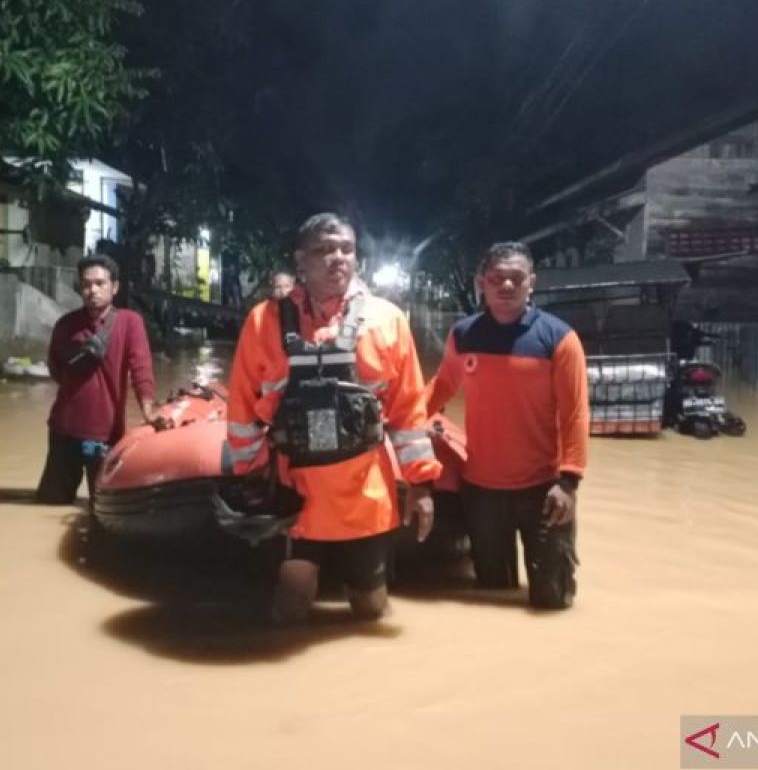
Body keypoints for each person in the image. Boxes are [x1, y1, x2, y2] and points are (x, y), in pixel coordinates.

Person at [223, 213, 441, 623]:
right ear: (300, 260)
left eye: (346, 249)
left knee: (371, 604)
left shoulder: (388, 320)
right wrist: (252, 481)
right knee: (293, 600)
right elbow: (242, 411)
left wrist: (421, 484)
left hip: (365, 490)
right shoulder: (263, 322)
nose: (337, 257)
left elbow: (409, 412)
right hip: (294, 490)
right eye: (323, 250)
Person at [424, 241, 589, 609]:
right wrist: (402, 421)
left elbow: (575, 414)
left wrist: (569, 481)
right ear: (481, 283)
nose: (507, 286)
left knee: (553, 600)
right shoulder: (464, 335)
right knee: (491, 592)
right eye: (497, 278)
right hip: (481, 490)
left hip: (544, 488)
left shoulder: (559, 339)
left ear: (532, 283)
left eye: (516, 277)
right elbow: (442, 386)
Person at [35, 254, 163, 506]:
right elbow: (56, 370)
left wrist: (148, 409)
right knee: (50, 505)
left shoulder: (130, 323)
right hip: (63, 431)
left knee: (103, 507)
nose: (92, 290)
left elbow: (141, 369)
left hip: (105, 435)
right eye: (86, 284)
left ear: (114, 287)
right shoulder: (65, 325)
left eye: (100, 283)